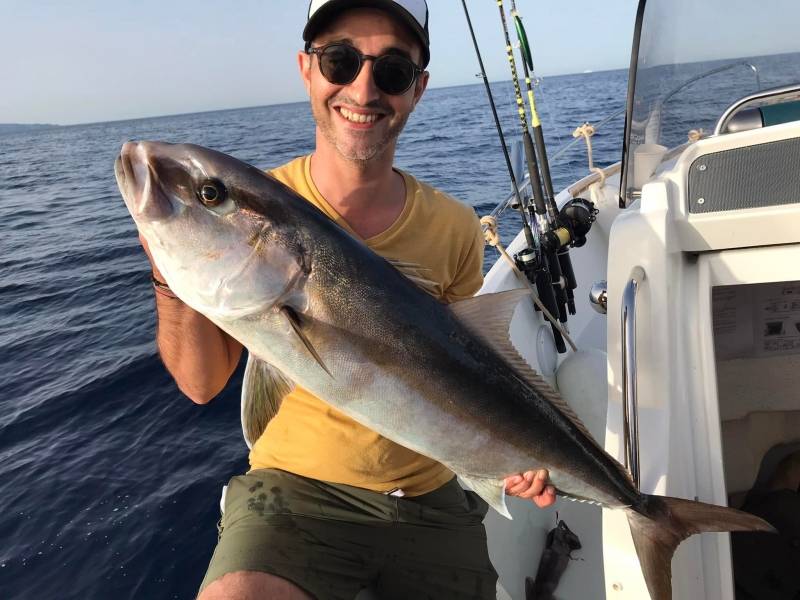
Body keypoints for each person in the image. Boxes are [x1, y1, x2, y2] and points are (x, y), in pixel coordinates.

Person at [139, 1, 556, 598]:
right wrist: (165, 268)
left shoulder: (455, 226)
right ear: (308, 70)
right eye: (339, 60)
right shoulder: (253, 207)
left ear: (417, 90)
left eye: (391, 71)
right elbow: (202, 385)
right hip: (294, 494)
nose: (363, 88)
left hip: (435, 496)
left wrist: (517, 455)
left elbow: (477, 370)